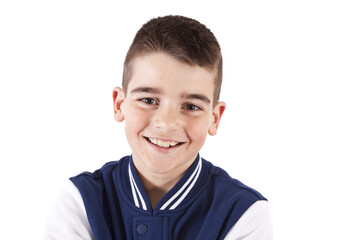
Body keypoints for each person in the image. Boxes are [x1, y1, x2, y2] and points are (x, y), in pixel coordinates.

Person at [44, 15, 273, 240]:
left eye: (191, 106)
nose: (166, 122)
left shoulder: (244, 213)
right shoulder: (80, 202)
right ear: (119, 104)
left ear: (214, 118)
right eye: (148, 100)